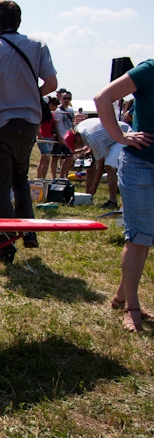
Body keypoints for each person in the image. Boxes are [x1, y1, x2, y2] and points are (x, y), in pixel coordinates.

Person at [0, 0, 57, 264]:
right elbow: (51, 83)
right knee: (21, 177)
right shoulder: (38, 45)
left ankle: (6, 246)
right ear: (19, 21)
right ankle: (29, 232)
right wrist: (29, 95)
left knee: (2, 186)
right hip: (28, 122)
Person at [95, 61, 154, 332]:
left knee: (145, 236)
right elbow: (102, 98)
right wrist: (120, 136)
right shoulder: (149, 69)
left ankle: (121, 295)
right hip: (141, 165)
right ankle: (132, 306)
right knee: (140, 237)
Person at [74, 117, 132, 209]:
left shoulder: (92, 139)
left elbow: (101, 165)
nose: (74, 147)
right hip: (109, 137)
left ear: (77, 138)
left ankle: (113, 201)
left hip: (123, 134)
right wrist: (84, 149)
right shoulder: (79, 128)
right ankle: (88, 196)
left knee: (109, 165)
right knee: (90, 162)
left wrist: (96, 185)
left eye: (74, 145)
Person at [51, 90, 75, 178]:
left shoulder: (71, 110)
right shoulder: (58, 110)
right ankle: (54, 177)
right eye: (65, 98)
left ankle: (62, 176)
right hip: (60, 136)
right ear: (61, 98)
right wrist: (59, 137)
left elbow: (72, 123)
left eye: (68, 98)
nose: (66, 100)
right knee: (55, 158)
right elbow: (56, 125)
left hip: (68, 137)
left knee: (69, 158)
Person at [36, 96, 59, 179]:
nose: (55, 108)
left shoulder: (52, 115)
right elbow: (37, 128)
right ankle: (42, 178)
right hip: (43, 138)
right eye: (54, 105)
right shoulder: (44, 114)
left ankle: (39, 177)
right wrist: (41, 137)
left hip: (50, 138)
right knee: (46, 158)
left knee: (43, 159)